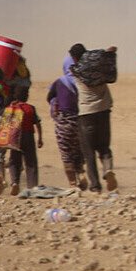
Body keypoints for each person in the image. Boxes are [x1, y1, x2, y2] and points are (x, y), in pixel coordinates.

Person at [70, 43, 119, 193]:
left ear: (74, 58)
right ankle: (108, 169)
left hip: (86, 114)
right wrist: (109, 53)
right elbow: (104, 58)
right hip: (103, 111)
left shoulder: (76, 71)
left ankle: (95, 186)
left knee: (89, 152)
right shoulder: (101, 69)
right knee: (104, 147)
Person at [46, 56, 87, 189]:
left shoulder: (59, 82)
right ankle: (81, 173)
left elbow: (49, 97)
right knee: (78, 151)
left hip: (64, 123)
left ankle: (72, 183)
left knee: (66, 153)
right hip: (81, 122)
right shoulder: (82, 81)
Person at [5, 86, 43, 195]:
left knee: (14, 161)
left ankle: (14, 182)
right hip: (28, 136)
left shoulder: (12, 108)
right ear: (26, 96)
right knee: (31, 162)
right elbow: (38, 123)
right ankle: (32, 186)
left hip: (15, 137)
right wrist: (40, 138)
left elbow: (5, 125)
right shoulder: (31, 108)